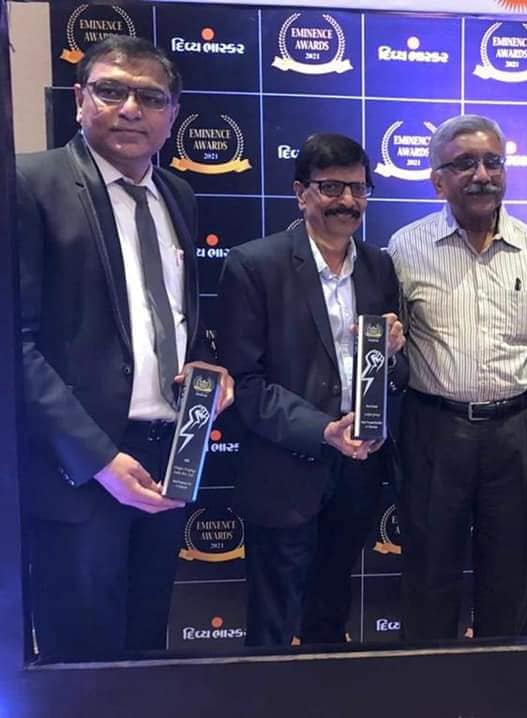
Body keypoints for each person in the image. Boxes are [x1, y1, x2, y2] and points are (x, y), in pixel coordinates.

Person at [17, 35, 233, 661]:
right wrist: (97, 459)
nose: (131, 109)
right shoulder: (29, 183)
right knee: (83, 666)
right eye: (111, 91)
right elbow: (15, 345)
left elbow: (167, 315)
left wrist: (199, 365)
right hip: (80, 470)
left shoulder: (178, 195)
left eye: (151, 97)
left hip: (167, 457)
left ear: (173, 114)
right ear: (80, 99)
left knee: (146, 652)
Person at [217, 133, 406, 647]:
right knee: (273, 628)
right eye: (331, 188)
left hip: (358, 474)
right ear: (301, 193)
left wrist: (393, 353)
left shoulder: (380, 266)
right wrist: (323, 430)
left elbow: (396, 377)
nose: (348, 201)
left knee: (330, 618)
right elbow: (245, 385)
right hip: (283, 473)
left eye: (358, 189)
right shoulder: (254, 265)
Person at [387, 114, 527, 640]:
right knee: (429, 575)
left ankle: (503, 685)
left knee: (512, 578)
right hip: (434, 430)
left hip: (517, 431)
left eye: (492, 162)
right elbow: (393, 345)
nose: (482, 175)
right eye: (464, 164)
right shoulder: (404, 249)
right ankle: (428, 683)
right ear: (437, 180)